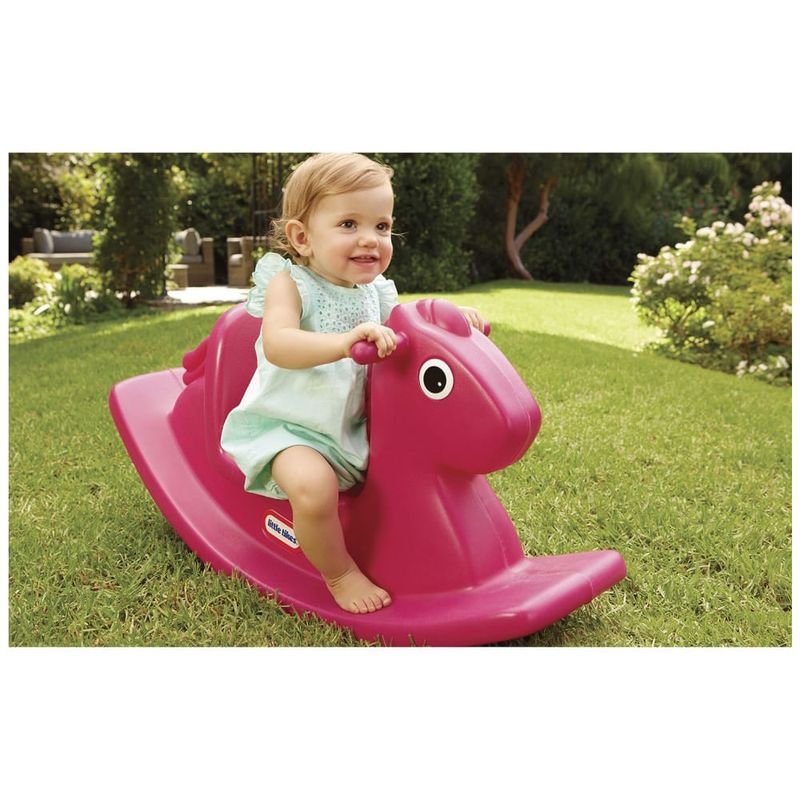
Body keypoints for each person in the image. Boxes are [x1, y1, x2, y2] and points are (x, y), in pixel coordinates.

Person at [221, 153, 485, 614]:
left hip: (354, 431)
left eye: (382, 226)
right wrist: (342, 343)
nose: (370, 239)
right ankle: (339, 573)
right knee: (313, 487)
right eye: (348, 224)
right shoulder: (291, 284)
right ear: (302, 238)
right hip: (290, 429)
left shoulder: (375, 292)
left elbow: (410, 329)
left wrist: (446, 318)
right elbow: (280, 344)